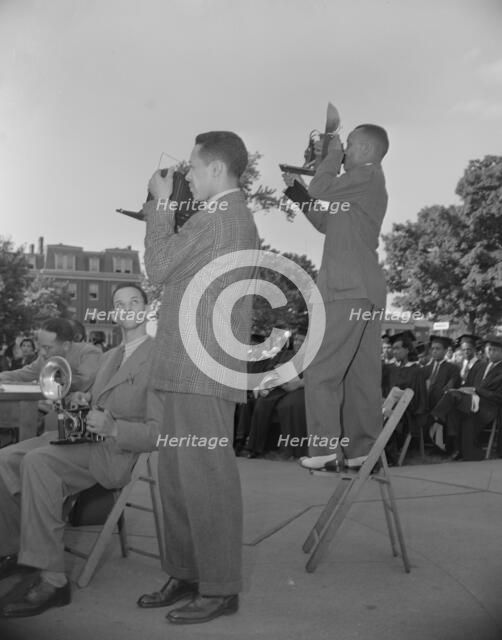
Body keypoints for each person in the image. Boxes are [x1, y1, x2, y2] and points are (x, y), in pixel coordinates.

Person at [138, 131, 260, 624]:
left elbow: (158, 266)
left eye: (191, 166)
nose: (185, 174)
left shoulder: (224, 215)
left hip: (200, 369)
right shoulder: (217, 217)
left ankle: (219, 586)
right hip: (183, 365)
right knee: (178, 483)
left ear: (216, 170)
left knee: (206, 482)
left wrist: (160, 205)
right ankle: (187, 572)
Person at [0, 284, 159, 617]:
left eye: (134, 302)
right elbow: (96, 400)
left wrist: (116, 428)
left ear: (147, 310)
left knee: (38, 462)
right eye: (119, 304)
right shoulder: (112, 355)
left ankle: (54, 581)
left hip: (116, 451)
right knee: (4, 459)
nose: (127, 309)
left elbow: (161, 432)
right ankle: (18, 552)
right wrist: (83, 400)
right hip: (83, 437)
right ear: (114, 313)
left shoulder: (159, 359)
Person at [284, 124, 389, 471]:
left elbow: (322, 186)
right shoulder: (362, 186)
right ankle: (362, 452)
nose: (345, 153)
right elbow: (325, 221)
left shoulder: (369, 174)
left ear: (364, 149)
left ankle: (325, 450)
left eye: (349, 146)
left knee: (322, 369)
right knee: (360, 376)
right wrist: (296, 192)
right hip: (366, 290)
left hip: (347, 289)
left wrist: (329, 154)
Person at [432, 335, 502, 461]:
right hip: (470, 402)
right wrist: (466, 389)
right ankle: (461, 450)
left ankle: (437, 416)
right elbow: (470, 384)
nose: (491, 352)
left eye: (495, 350)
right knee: (455, 406)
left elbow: (498, 396)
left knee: (454, 398)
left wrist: (476, 390)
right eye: (489, 349)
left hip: (488, 406)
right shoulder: (481, 366)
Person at [0, 318, 102, 391]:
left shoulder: (90, 353)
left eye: (47, 347)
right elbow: (21, 375)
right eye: (40, 346)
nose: (42, 353)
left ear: (66, 345)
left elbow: (83, 382)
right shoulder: (44, 358)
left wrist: (56, 379)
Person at [423, 336, 461, 452]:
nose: (434, 351)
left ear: (445, 351)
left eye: (438, 349)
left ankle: (441, 447)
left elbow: (451, 387)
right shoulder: (426, 368)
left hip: (442, 404)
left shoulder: (452, 368)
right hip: (426, 402)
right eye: (433, 348)